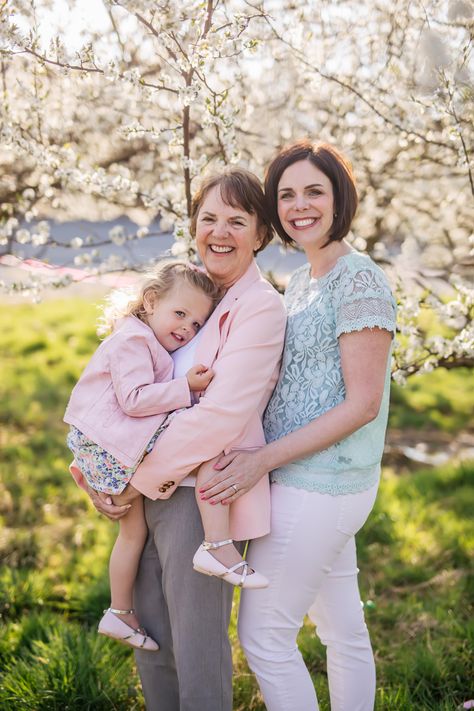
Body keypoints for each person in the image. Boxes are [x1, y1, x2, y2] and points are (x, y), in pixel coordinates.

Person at [70, 168, 287, 711]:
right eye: (209, 218)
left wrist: (129, 477)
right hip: (148, 486)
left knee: (197, 648)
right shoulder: (188, 291)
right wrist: (104, 471)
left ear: (260, 233)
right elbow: (124, 393)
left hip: (195, 493)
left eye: (237, 221)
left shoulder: (258, 306)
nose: (220, 231)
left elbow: (221, 416)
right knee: (155, 637)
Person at [200, 140, 397, 711]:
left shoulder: (357, 280)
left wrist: (262, 459)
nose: (299, 205)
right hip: (312, 482)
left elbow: (362, 404)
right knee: (342, 632)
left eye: (314, 191)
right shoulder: (308, 279)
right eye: (286, 194)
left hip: (320, 484)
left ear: (340, 197)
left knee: (263, 638)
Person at [64, 261, 220, 650]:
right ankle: (218, 544)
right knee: (201, 446)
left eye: (197, 324)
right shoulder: (133, 340)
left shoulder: (145, 338)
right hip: (106, 443)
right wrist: (185, 389)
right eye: (180, 314)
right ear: (151, 301)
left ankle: (119, 613)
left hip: (106, 442)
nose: (187, 328)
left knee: (133, 532)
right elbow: (133, 400)